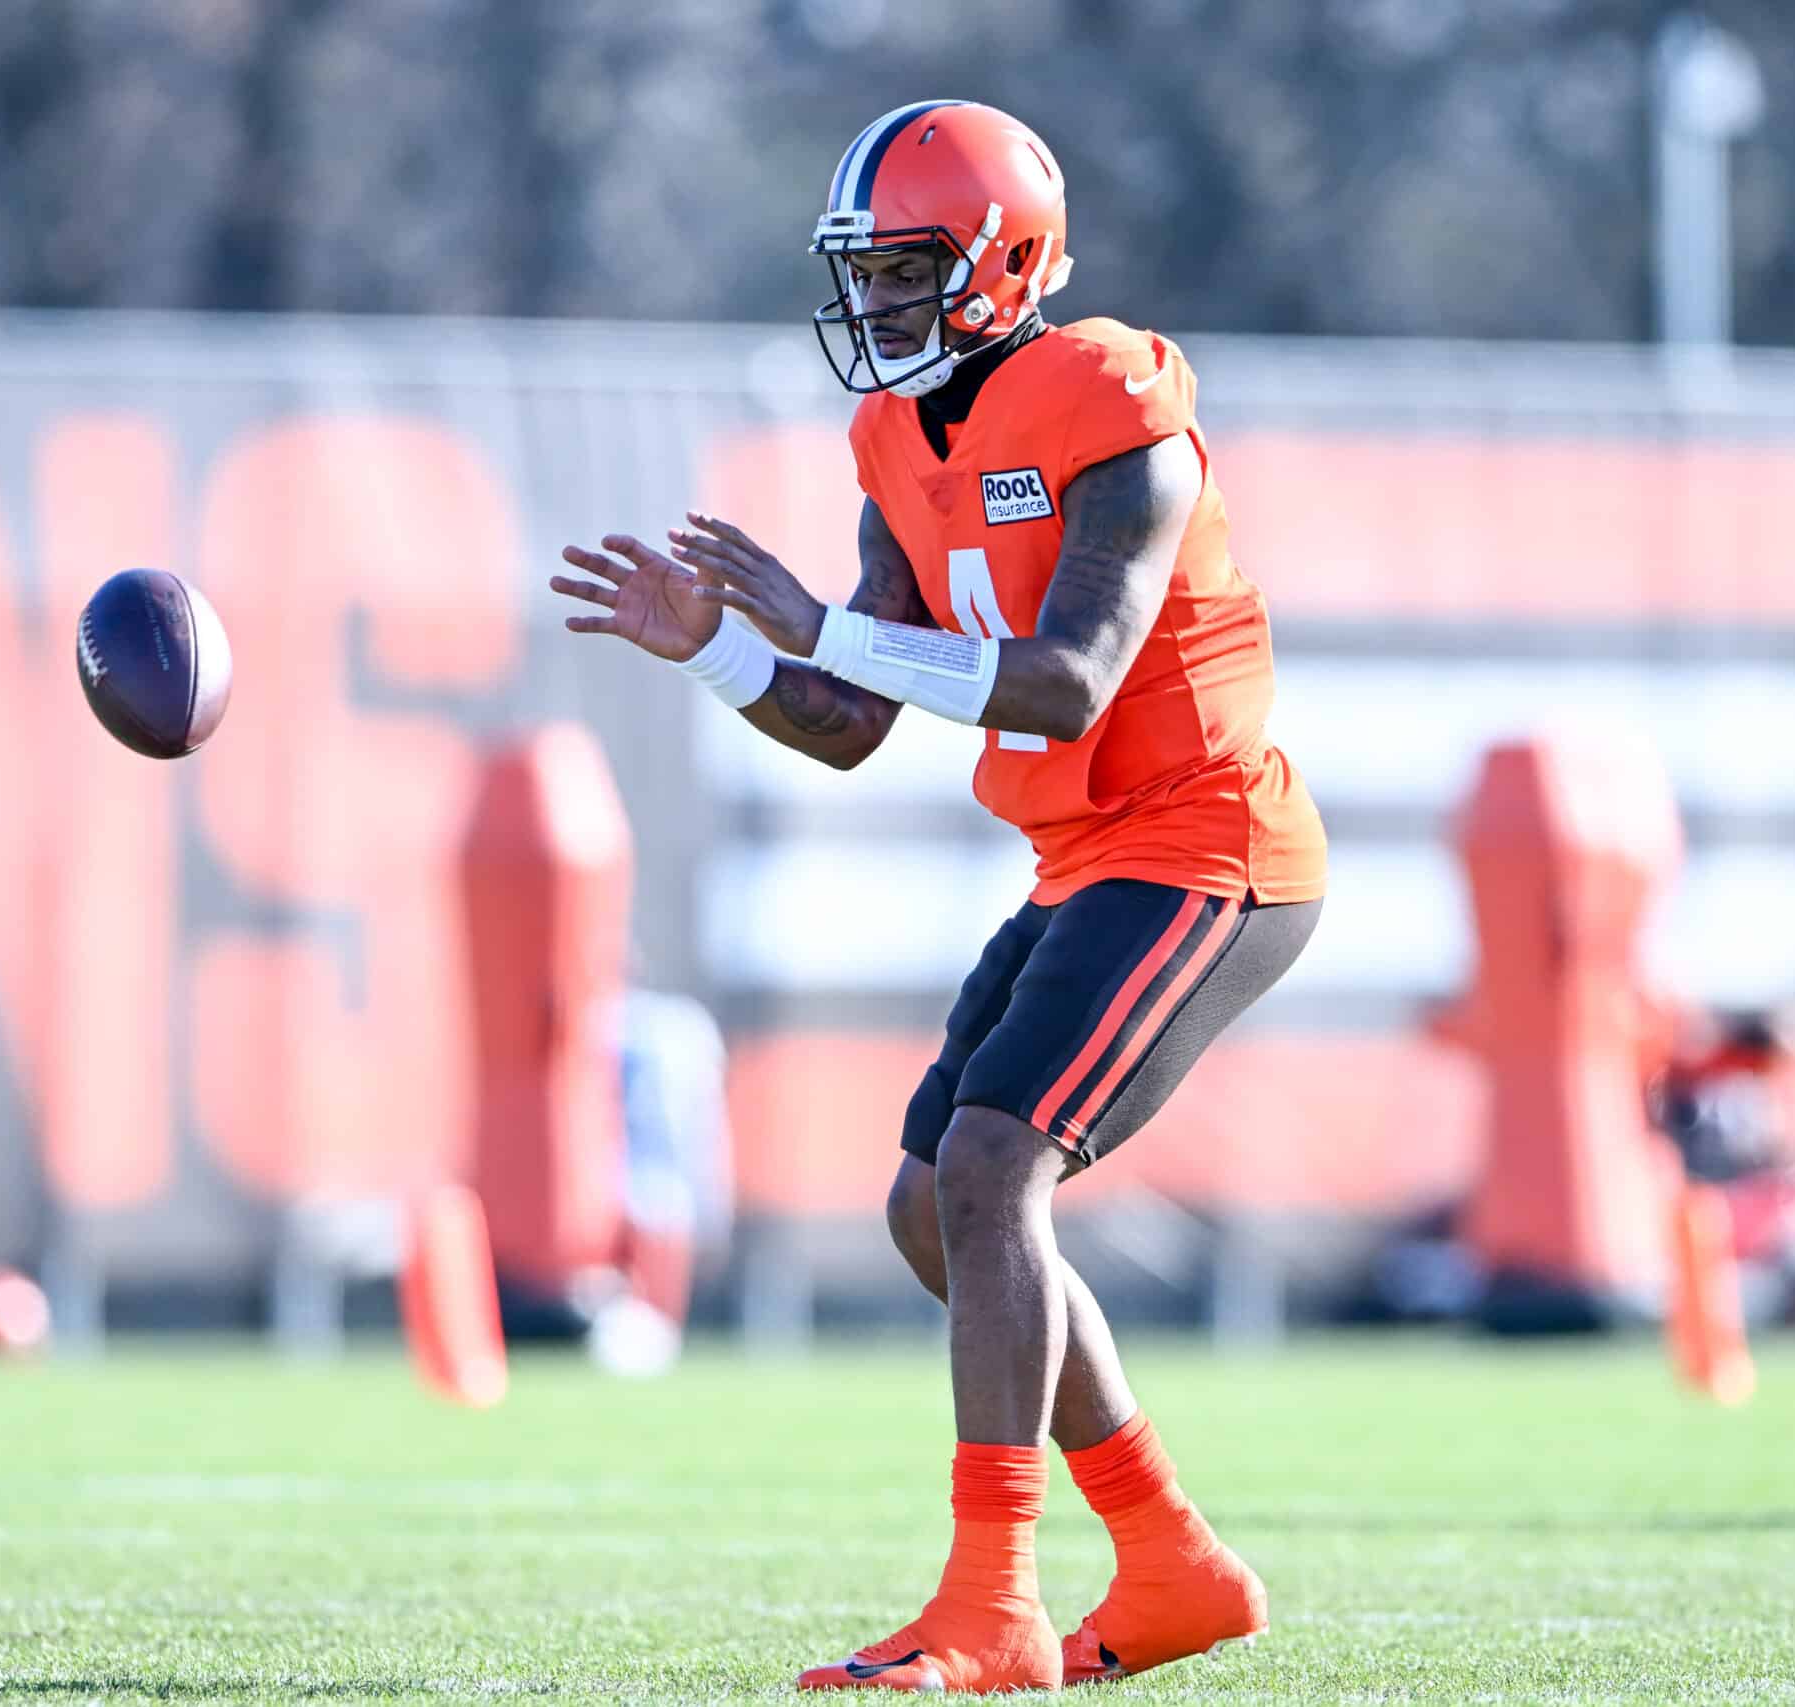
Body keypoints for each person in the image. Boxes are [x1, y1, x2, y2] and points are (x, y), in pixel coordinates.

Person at [550, 101, 1327, 1693]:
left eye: (906, 270)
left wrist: (825, 627)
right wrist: (714, 645)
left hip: (1207, 842)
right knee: (934, 1206)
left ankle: (994, 1604)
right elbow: (845, 729)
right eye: (867, 272)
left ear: (999, 263)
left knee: (989, 1166)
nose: (878, 306)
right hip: (1086, 859)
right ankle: (1173, 1553)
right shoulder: (895, 442)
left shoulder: (1115, 396)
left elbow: (1066, 680)